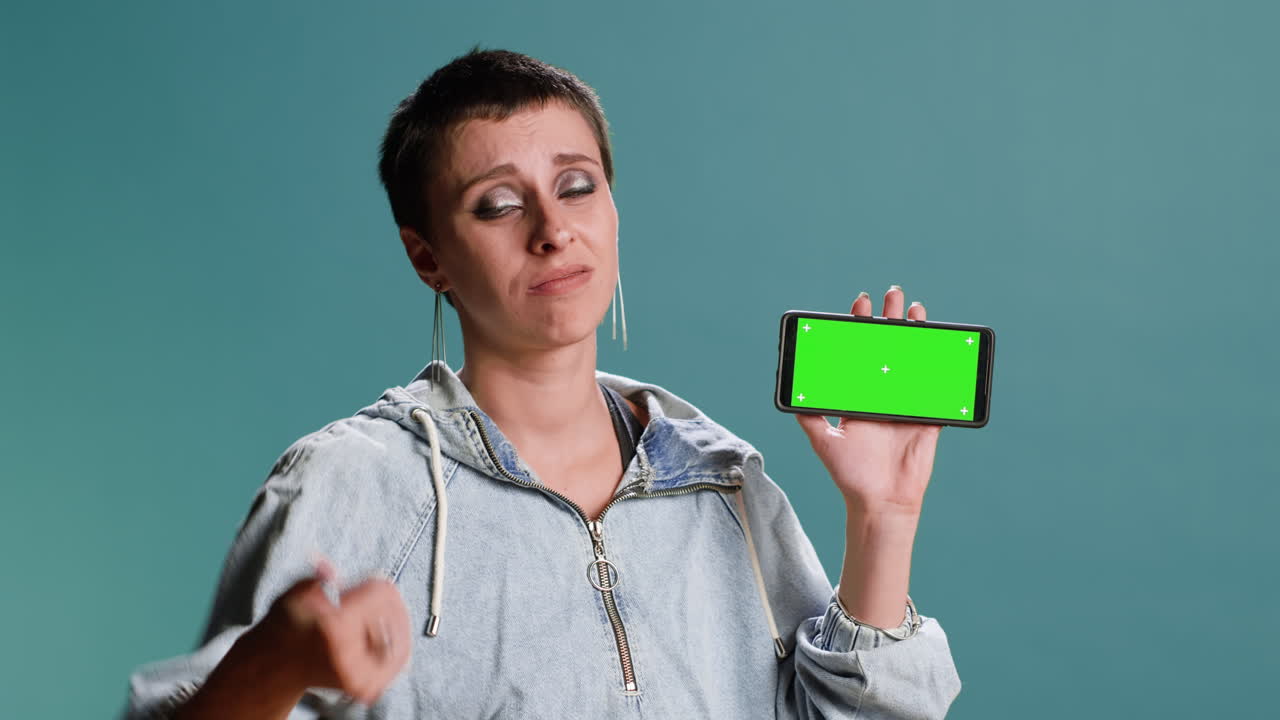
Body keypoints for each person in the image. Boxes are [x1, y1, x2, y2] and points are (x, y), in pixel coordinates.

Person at [121, 48, 961, 719]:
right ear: (428, 257)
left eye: (575, 186)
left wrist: (882, 519)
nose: (554, 231)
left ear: (612, 210)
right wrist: (274, 665)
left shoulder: (721, 478)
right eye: (497, 205)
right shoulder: (352, 483)